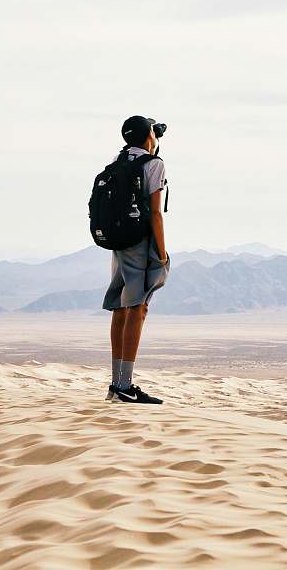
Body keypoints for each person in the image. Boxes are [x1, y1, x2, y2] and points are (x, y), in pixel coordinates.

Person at [102, 115, 170, 404]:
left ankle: (117, 384)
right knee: (138, 308)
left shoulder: (119, 162)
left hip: (118, 243)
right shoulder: (153, 164)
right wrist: (162, 252)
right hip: (140, 244)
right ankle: (125, 386)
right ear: (148, 136)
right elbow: (155, 213)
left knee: (121, 307)